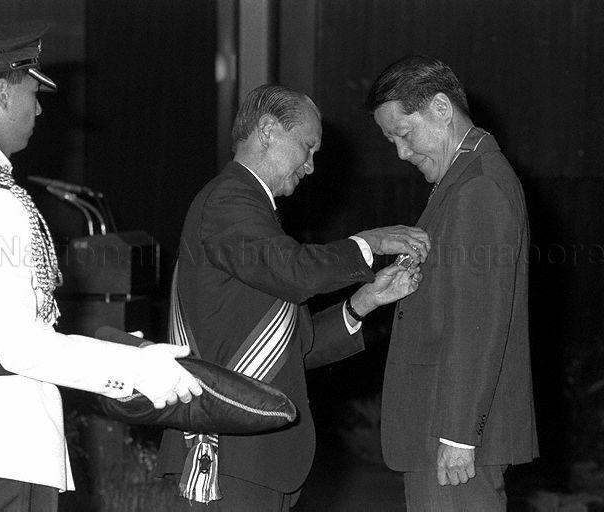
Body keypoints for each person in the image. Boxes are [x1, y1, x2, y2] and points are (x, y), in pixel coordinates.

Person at [0, 22, 202, 511]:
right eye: (33, 91)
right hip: (2, 445)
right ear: (3, 94)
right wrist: (138, 369)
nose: (41, 107)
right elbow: (23, 346)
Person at [155, 84, 430, 510]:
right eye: (307, 147)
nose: (311, 166)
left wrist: (366, 301)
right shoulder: (229, 200)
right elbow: (295, 272)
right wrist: (369, 243)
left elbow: (293, 348)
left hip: (255, 463)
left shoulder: (253, 213)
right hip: (229, 461)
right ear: (267, 130)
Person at [365, 56, 538, 511]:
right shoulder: (463, 179)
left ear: (441, 108)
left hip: (452, 442)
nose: (401, 153)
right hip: (442, 433)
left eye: (404, 134)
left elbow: (479, 320)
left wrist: (459, 434)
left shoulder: (478, 186)